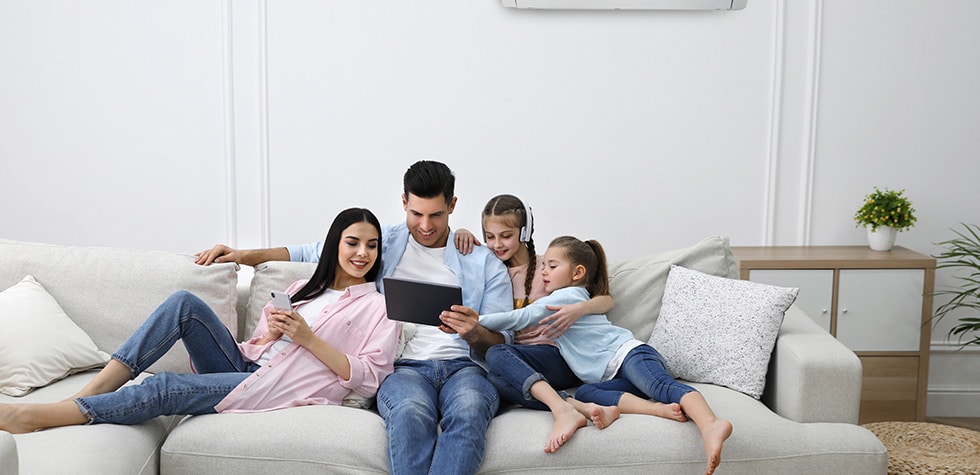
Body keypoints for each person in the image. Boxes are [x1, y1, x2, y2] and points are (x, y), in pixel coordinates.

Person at [197, 161, 513, 475]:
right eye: (416, 214)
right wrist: (243, 255)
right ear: (404, 202)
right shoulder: (379, 243)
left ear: (452, 206)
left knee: (470, 411)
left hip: (465, 367)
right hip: (403, 368)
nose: (425, 225)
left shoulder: (484, 263)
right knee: (409, 412)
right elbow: (311, 251)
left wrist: (474, 331)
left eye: (436, 215)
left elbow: (503, 343)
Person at [0, 208, 400, 434]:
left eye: (372, 245)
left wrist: (309, 339)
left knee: (164, 386)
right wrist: (271, 334)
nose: (362, 253)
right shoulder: (301, 288)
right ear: (334, 244)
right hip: (245, 365)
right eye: (353, 242)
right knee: (184, 304)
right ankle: (92, 390)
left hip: (276, 386)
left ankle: (38, 417)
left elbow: (369, 378)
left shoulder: (380, 308)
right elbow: (258, 345)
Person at [446, 236, 733, 475]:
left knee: (660, 385)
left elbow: (521, 317)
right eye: (543, 266)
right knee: (586, 394)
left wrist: (477, 320)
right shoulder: (567, 297)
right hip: (606, 376)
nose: (544, 272)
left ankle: (710, 423)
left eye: (552, 266)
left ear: (578, 273)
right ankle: (658, 410)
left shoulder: (568, 296)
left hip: (628, 355)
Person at [454, 194, 614, 421]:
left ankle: (565, 408)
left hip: (559, 357)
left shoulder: (549, 268)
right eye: (490, 236)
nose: (497, 244)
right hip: (520, 362)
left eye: (506, 236)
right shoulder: (493, 273)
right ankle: (574, 406)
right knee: (493, 379)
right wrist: (460, 234)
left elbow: (605, 300)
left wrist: (580, 308)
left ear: (524, 233)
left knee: (496, 354)